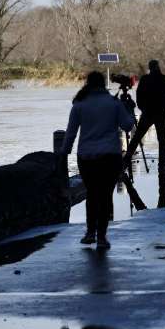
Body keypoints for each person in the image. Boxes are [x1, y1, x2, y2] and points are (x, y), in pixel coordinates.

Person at [61, 71, 135, 250]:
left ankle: (89, 232)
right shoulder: (114, 103)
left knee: (92, 194)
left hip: (87, 157)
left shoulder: (79, 104)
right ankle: (102, 236)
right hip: (111, 156)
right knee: (105, 196)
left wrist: (63, 153)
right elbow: (128, 125)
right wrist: (129, 108)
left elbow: (70, 133)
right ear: (103, 84)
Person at [126, 60, 165, 171]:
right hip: (161, 113)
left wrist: (142, 107)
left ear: (150, 68)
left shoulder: (145, 79)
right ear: (158, 67)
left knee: (137, 136)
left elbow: (139, 94)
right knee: (161, 139)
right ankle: (162, 163)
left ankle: (126, 158)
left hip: (148, 112)